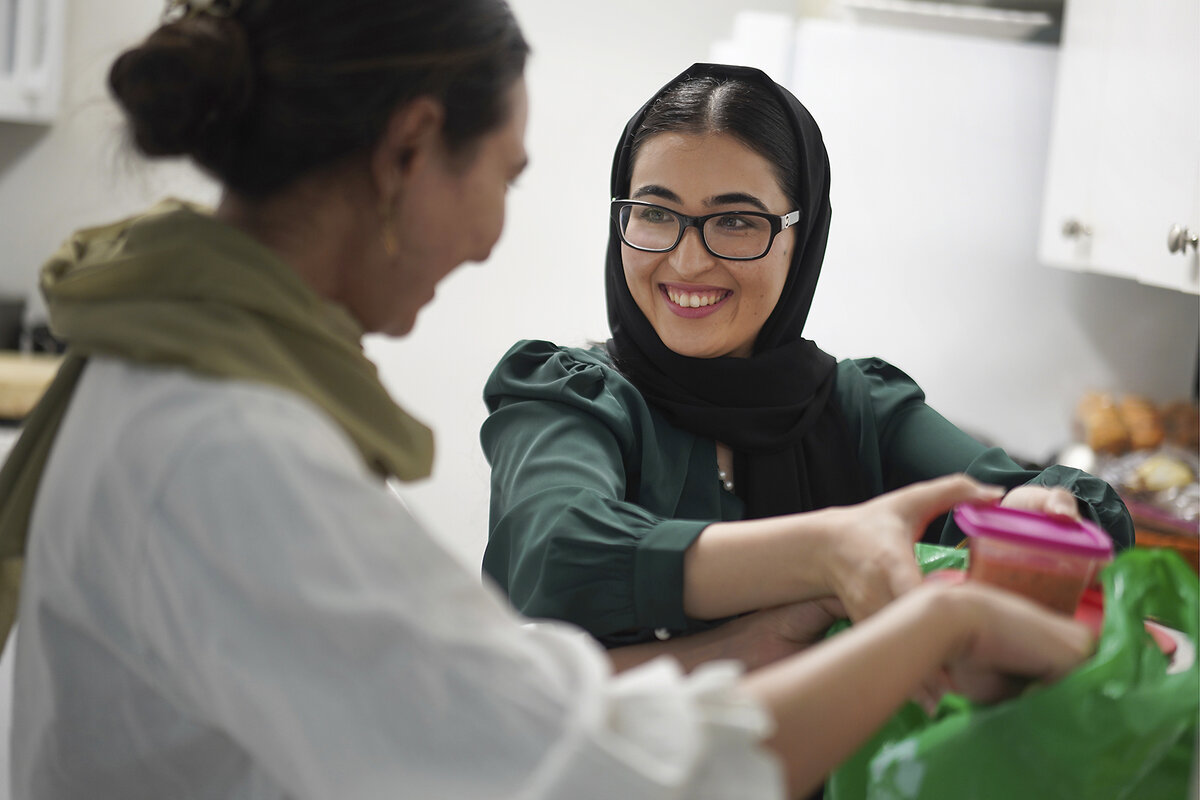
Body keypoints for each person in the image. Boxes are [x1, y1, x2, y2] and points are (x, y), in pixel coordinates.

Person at [0, 7, 1093, 799]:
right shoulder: (231, 446)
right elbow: (570, 760)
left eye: (738, 220)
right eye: (507, 177)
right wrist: (928, 615)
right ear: (409, 151)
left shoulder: (171, 364)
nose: (489, 239)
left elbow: (501, 701)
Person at [481, 62, 1134, 656]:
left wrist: (1040, 514)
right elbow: (560, 555)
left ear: (805, 236)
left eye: (736, 222)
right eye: (655, 212)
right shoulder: (568, 400)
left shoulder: (857, 408)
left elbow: (1082, 506)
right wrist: (828, 555)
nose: (686, 260)